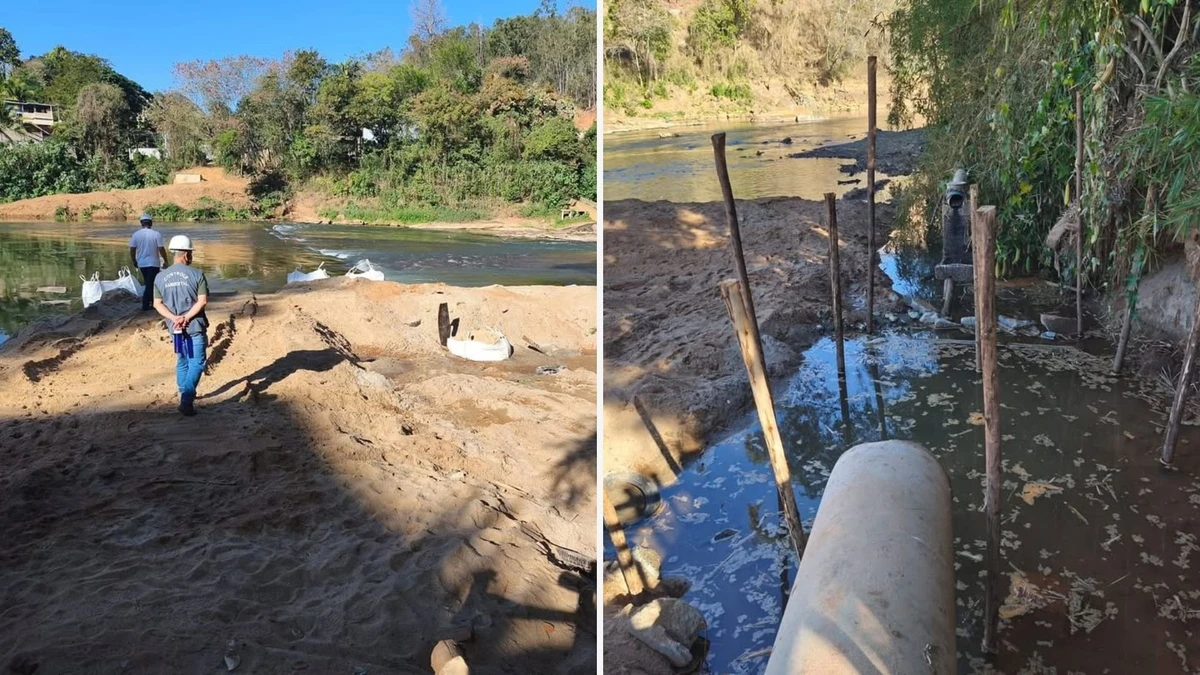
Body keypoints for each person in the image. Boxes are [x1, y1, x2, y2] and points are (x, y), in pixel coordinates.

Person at [153, 235, 209, 416]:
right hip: (194, 326)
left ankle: (182, 389)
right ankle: (186, 398)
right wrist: (186, 317)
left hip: (175, 328)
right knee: (197, 363)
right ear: (185, 254)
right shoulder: (197, 275)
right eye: (190, 253)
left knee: (182, 359)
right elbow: (202, 302)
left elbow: (157, 303)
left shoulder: (160, 277)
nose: (191, 256)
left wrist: (175, 318)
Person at [129, 213, 167, 311]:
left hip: (142, 263)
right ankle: (146, 305)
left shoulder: (136, 235)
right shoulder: (156, 234)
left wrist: (134, 261)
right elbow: (161, 249)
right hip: (154, 263)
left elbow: (132, 249)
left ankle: (150, 302)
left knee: (148, 283)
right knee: (151, 284)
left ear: (141, 223)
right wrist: (166, 260)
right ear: (151, 223)